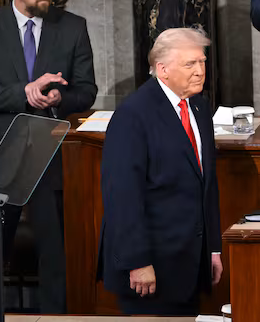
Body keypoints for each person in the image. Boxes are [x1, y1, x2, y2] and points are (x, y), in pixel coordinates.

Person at [0, 0, 97, 313]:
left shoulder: (73, 27)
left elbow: (86, 90)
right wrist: (24, 92)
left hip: (50, 154)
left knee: (57, 255)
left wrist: (57, 97)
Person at [97, 27, 222, 315]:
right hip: (150, 267)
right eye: (190, 64)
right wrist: (137, 261)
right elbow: (122, 195)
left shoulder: (199, 107)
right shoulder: (133, 114)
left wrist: (212, 249)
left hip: (190, 264)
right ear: (163, 69)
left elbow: (207, 185)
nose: (200, 71)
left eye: (202, 62)